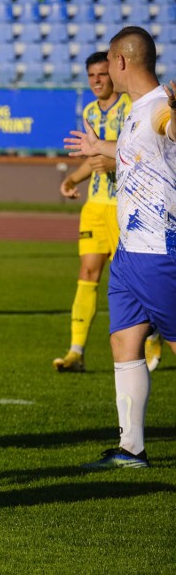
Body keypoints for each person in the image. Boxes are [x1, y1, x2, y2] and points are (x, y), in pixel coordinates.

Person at [65, 26, 176, 469]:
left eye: (109, 62)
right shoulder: (134, 112)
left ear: (124, 61)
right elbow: (136, 153)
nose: (105, 71)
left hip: (158, 250)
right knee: (123, 343)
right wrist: (99, 147)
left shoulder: (161, 107)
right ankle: (132, 449)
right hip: (129, 253)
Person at [53, 51, 145, 373]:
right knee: (88, 273)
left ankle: (153, 338)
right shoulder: (90, 110)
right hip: (94, 207)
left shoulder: (131, 106)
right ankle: (76, 351)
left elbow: (137, 150)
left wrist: (112, 157)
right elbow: (94, 158)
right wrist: (71, 178)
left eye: (102, 75)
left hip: (126, 208)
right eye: (91, 75)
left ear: (113, 74)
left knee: (136, 282)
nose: (96, 81)